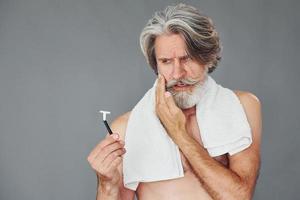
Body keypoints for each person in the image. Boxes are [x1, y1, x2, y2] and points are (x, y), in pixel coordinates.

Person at [87, 3, 262, 200]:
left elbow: (239, 197)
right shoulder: (126, 127)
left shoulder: (242, 106)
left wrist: (179, 133)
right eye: (166, 61)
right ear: (156, 65)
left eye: (186, 59)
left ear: (207, 58)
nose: (177, 73)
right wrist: (106, 183)